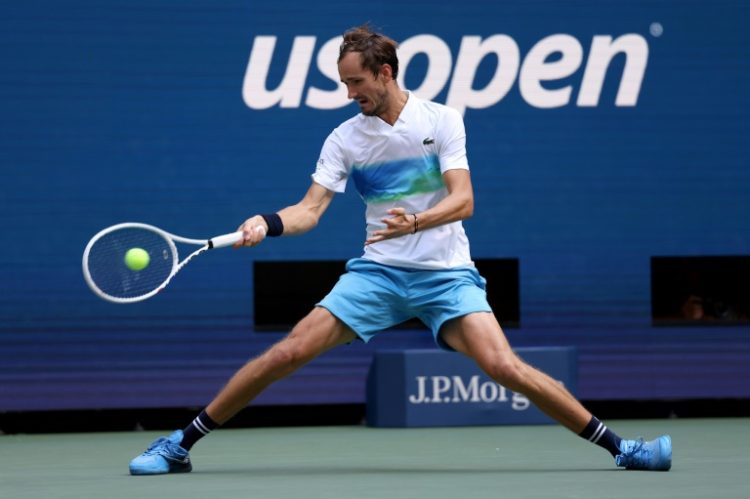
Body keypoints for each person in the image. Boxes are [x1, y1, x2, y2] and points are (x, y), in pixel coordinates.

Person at [129, 24, 672, 475]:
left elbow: (464, 201)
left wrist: (416, 220)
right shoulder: (345, 139)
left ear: (385, 73)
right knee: (289, 351)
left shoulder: (442, 121)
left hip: (446, 275)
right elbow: (310, 210)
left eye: (356, 82)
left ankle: (623, 449)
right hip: (379, 275)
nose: (349, 93)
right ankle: (179, 444)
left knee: (503, 365)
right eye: (344, 84)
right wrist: (266, 223)